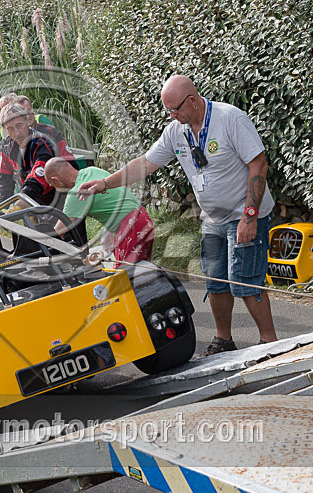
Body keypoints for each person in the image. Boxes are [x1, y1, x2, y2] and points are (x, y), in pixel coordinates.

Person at [77, 75, 277, 354]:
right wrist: (105, 183)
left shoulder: (230, 118)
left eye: (175, 109)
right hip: (213, 219)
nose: (172, 115)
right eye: (168, 110)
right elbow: (146, 164)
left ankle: (270, 342)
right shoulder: (176, 131)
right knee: (216, 280)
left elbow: (259, 164)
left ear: (193, 101)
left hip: (243, 214)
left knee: (244, 278)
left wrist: (250, 216)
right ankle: (223, 340)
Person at [44, 157, 154, 267]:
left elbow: (58, 233)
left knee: (125, 275)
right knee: (141, 270)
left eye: (53, 186)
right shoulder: (92, 170)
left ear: (56, 180)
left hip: (131, 228)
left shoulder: (77, 193)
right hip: (143, 219)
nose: (56, 189)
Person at [0, 99, 76, 201]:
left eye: (19, 126)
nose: (17, 133)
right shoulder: (7, 147)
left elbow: (41, 173)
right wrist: (1, 209)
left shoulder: (45, 138)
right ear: (5, 129)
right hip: (33, 195)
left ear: (27, 121)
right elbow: (5, 181)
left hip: (59, 193)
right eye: (10, 129)